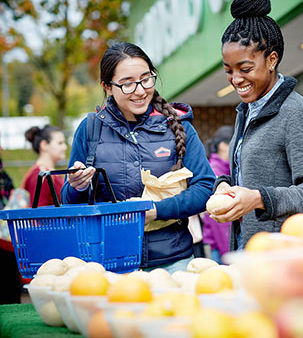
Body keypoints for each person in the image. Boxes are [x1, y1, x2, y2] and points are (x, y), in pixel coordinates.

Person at [61, 43, 216, 273]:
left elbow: (205, 188)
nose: (140, 90)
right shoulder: (90, 129)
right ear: (107, 87)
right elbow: (68, 201)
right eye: (127, 84)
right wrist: (77, 186)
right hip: (108, 264)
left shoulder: (178, 125)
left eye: (146, 79)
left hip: (174, 261)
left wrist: (157, 210)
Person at [209, 0, 303, 250]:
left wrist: (257, 199)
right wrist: (224, 184)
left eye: (245, 68)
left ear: (272, 59)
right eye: (228, 70)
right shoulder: (247, 111)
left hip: (289, 256)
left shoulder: (296, 113)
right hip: (253, 249)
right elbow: (251, 175)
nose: (235, 79)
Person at [201, 125, 234, 263]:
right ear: (223, 146)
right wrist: (228, 252)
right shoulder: (215, 171)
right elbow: (216, 220)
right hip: (219, 247)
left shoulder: (226, 168)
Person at [22, 125, 67, 206]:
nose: (65, 147)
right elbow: (38, 212)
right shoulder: (41, 175)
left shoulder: (44, 172)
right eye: (60, 143)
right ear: (44, 145)